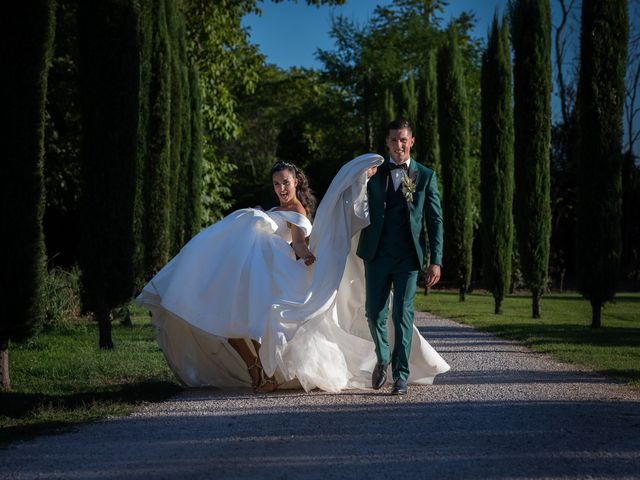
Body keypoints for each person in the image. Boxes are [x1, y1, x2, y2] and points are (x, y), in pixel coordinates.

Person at [137, 153, 449, 394]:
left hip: (275, 275)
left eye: (286, 182)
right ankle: (258, 371)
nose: (281, 189)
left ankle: (262, 373)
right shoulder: (276, 210)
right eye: (276, 184)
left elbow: (299, 242)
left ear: (296, 182)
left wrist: (309, 256)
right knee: (229, 318)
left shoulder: (298, 213)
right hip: (256, 271)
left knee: (250, 320)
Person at [357, 119, 444, 395]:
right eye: (394, 140)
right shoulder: (373, 174)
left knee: (402, 315)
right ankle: (383, 358)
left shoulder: (425, 176)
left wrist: (436, 260)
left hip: (408, 258)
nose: (399, 145)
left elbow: (435, 220)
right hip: (377, 255)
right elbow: (353, 201)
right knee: (374, 313)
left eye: (403, 140)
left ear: (412, 141)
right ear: (387, 142)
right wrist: (362, 179)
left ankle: (401, 375)